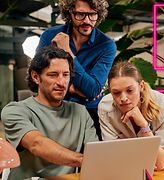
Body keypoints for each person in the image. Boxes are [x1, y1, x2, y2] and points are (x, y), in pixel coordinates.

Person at [1, 46, 98, 179]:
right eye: (53, 75)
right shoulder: (15, 111)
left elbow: (95, 152)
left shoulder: (80, 112)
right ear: (35, 77)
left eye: (66, 74)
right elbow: (37, 144)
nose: (61, 82)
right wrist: (86, 160)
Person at [37, 0, 116, 140]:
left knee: (91, 159)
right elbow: (37, 80)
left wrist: (67, 51)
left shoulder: (106, 45)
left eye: (92, 15)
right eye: (80, 14)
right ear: (69, 13)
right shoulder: (49, 36)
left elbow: (92, 89)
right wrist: (73, 89)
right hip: (53, 110)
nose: (87, 20)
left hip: (90, 113)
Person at [98, 62, 164, 171]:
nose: (123, 98)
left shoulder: (163, 105)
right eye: (116, 93)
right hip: (133, 161)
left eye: (129, 90)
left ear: (141, 86)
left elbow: (160, 163)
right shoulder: (105, 108)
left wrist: (143, 126)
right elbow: (113, 156)